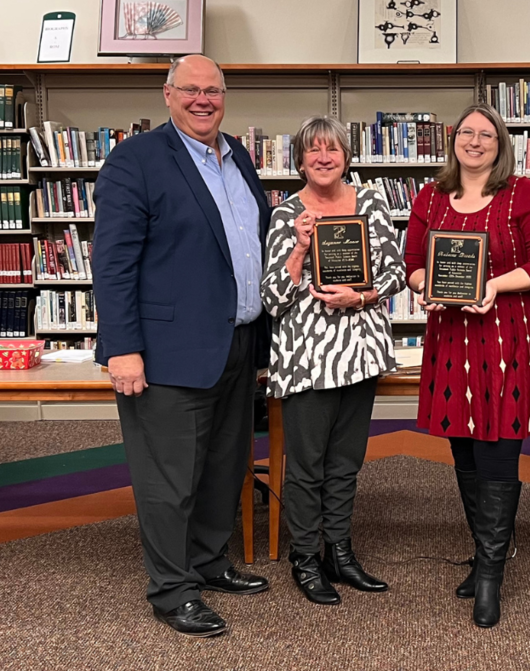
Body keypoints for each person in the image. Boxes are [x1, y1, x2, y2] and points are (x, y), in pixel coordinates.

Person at [93, 55, 272, 638]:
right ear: (167, 94)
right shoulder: (136, 161)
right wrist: (122, 348)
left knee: (225, 467)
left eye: (213, 91)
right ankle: (172, 589)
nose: (203, 100)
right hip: (167, 351)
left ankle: (209, 562)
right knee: (168, 478)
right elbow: (113, 263)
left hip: (238, 342)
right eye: (190, 90)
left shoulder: (238, 156)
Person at [404, 103, 530, 628]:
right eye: (467, 133)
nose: (475, 142)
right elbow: (414, 265)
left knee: (497, 452)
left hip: (508, 334)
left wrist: (491, 285)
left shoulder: (523, 193)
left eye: (486, 135)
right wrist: (428, 287)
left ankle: (491, 575)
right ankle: (483, 555)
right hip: (451, 337)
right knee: (465, 453)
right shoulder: (430, 196)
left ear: (501, 144)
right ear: (453, 140)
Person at [260, 116, 405, 606]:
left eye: (333, 149)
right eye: (313, 150)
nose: (324, 157)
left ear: (347, 156)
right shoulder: (285, 216)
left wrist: (361, 296)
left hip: (359, 353)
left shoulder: (372, 204)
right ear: (299, 159)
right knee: (306, 465)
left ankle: (339, 552)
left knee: (346, 462)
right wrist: (300, 249)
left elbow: (395, 273)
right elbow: (273, 299)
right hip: (306, 357)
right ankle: (305, 557)